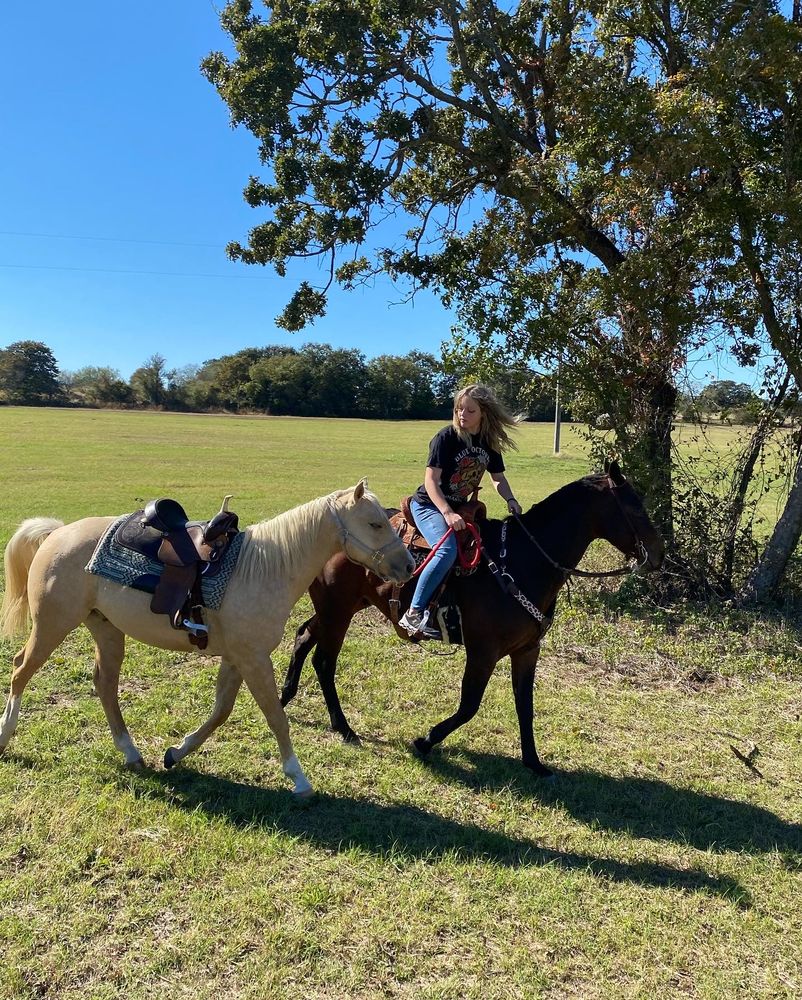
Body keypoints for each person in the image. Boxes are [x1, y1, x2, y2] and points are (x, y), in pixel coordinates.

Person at [399, 383, 523, 639]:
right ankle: (413, 612)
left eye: (470, 410)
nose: (462, 415)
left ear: (484, 414)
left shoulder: (488, 442)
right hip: (428, 505)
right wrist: (446, 512)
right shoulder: (446, 438)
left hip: (459, 508)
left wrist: (510, 499)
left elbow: (497, 478)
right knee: (447, 550)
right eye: (459, 409)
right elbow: (431, 482)